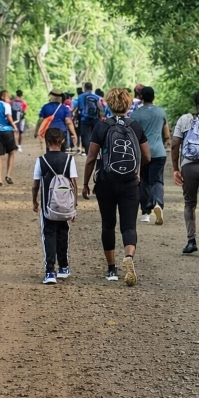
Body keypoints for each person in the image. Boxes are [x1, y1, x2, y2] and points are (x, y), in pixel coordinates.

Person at [82, 87, 151, 285]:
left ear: (109, 105)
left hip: (106, 182)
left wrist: (86, 183)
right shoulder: (135, 126)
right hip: (130, 183)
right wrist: (136, 169)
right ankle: (128, 257)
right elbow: (147, 156)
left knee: (108, 224)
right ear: (129, 104)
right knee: (128, 226)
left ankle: (111, 269)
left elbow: (91, 158)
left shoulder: (101, 126)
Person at [171, 90, 199, 258]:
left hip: (188, 167)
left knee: (189, 204)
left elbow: (175, 145)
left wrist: (176, 168)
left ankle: (191, 241)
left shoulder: (185, 119)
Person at [32, 127, 78, 284]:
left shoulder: (41, 160)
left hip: (48, 207)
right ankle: (64, 267)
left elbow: (35, 184)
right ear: (63, 141)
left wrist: (35, 201)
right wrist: (74, 205)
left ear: (46, 141)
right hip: (65, 206)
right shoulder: (69, 159)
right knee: (63, 234)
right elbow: (74, 183)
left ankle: (50, 271)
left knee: (49, 236)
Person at [131, 85, 170, 225]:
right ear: (153, 97)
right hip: (159, 152)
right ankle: (158, 203)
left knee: (144, 181)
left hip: (142, 152)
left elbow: (133, 135)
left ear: (140, 97)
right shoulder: (161, 113)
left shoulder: (136, 114)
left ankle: (145, 212)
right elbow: (166, 134)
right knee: (157, 180)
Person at [73, 81, 104, 155]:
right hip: (95, 119)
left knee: (85, 136)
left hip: (84, 119)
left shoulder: (80, 96)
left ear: (85, 88)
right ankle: (96, 151)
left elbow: (79, 107)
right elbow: (101, 108)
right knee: (95, 135)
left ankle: (88, 152)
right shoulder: (97, 97)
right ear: (92, 88)